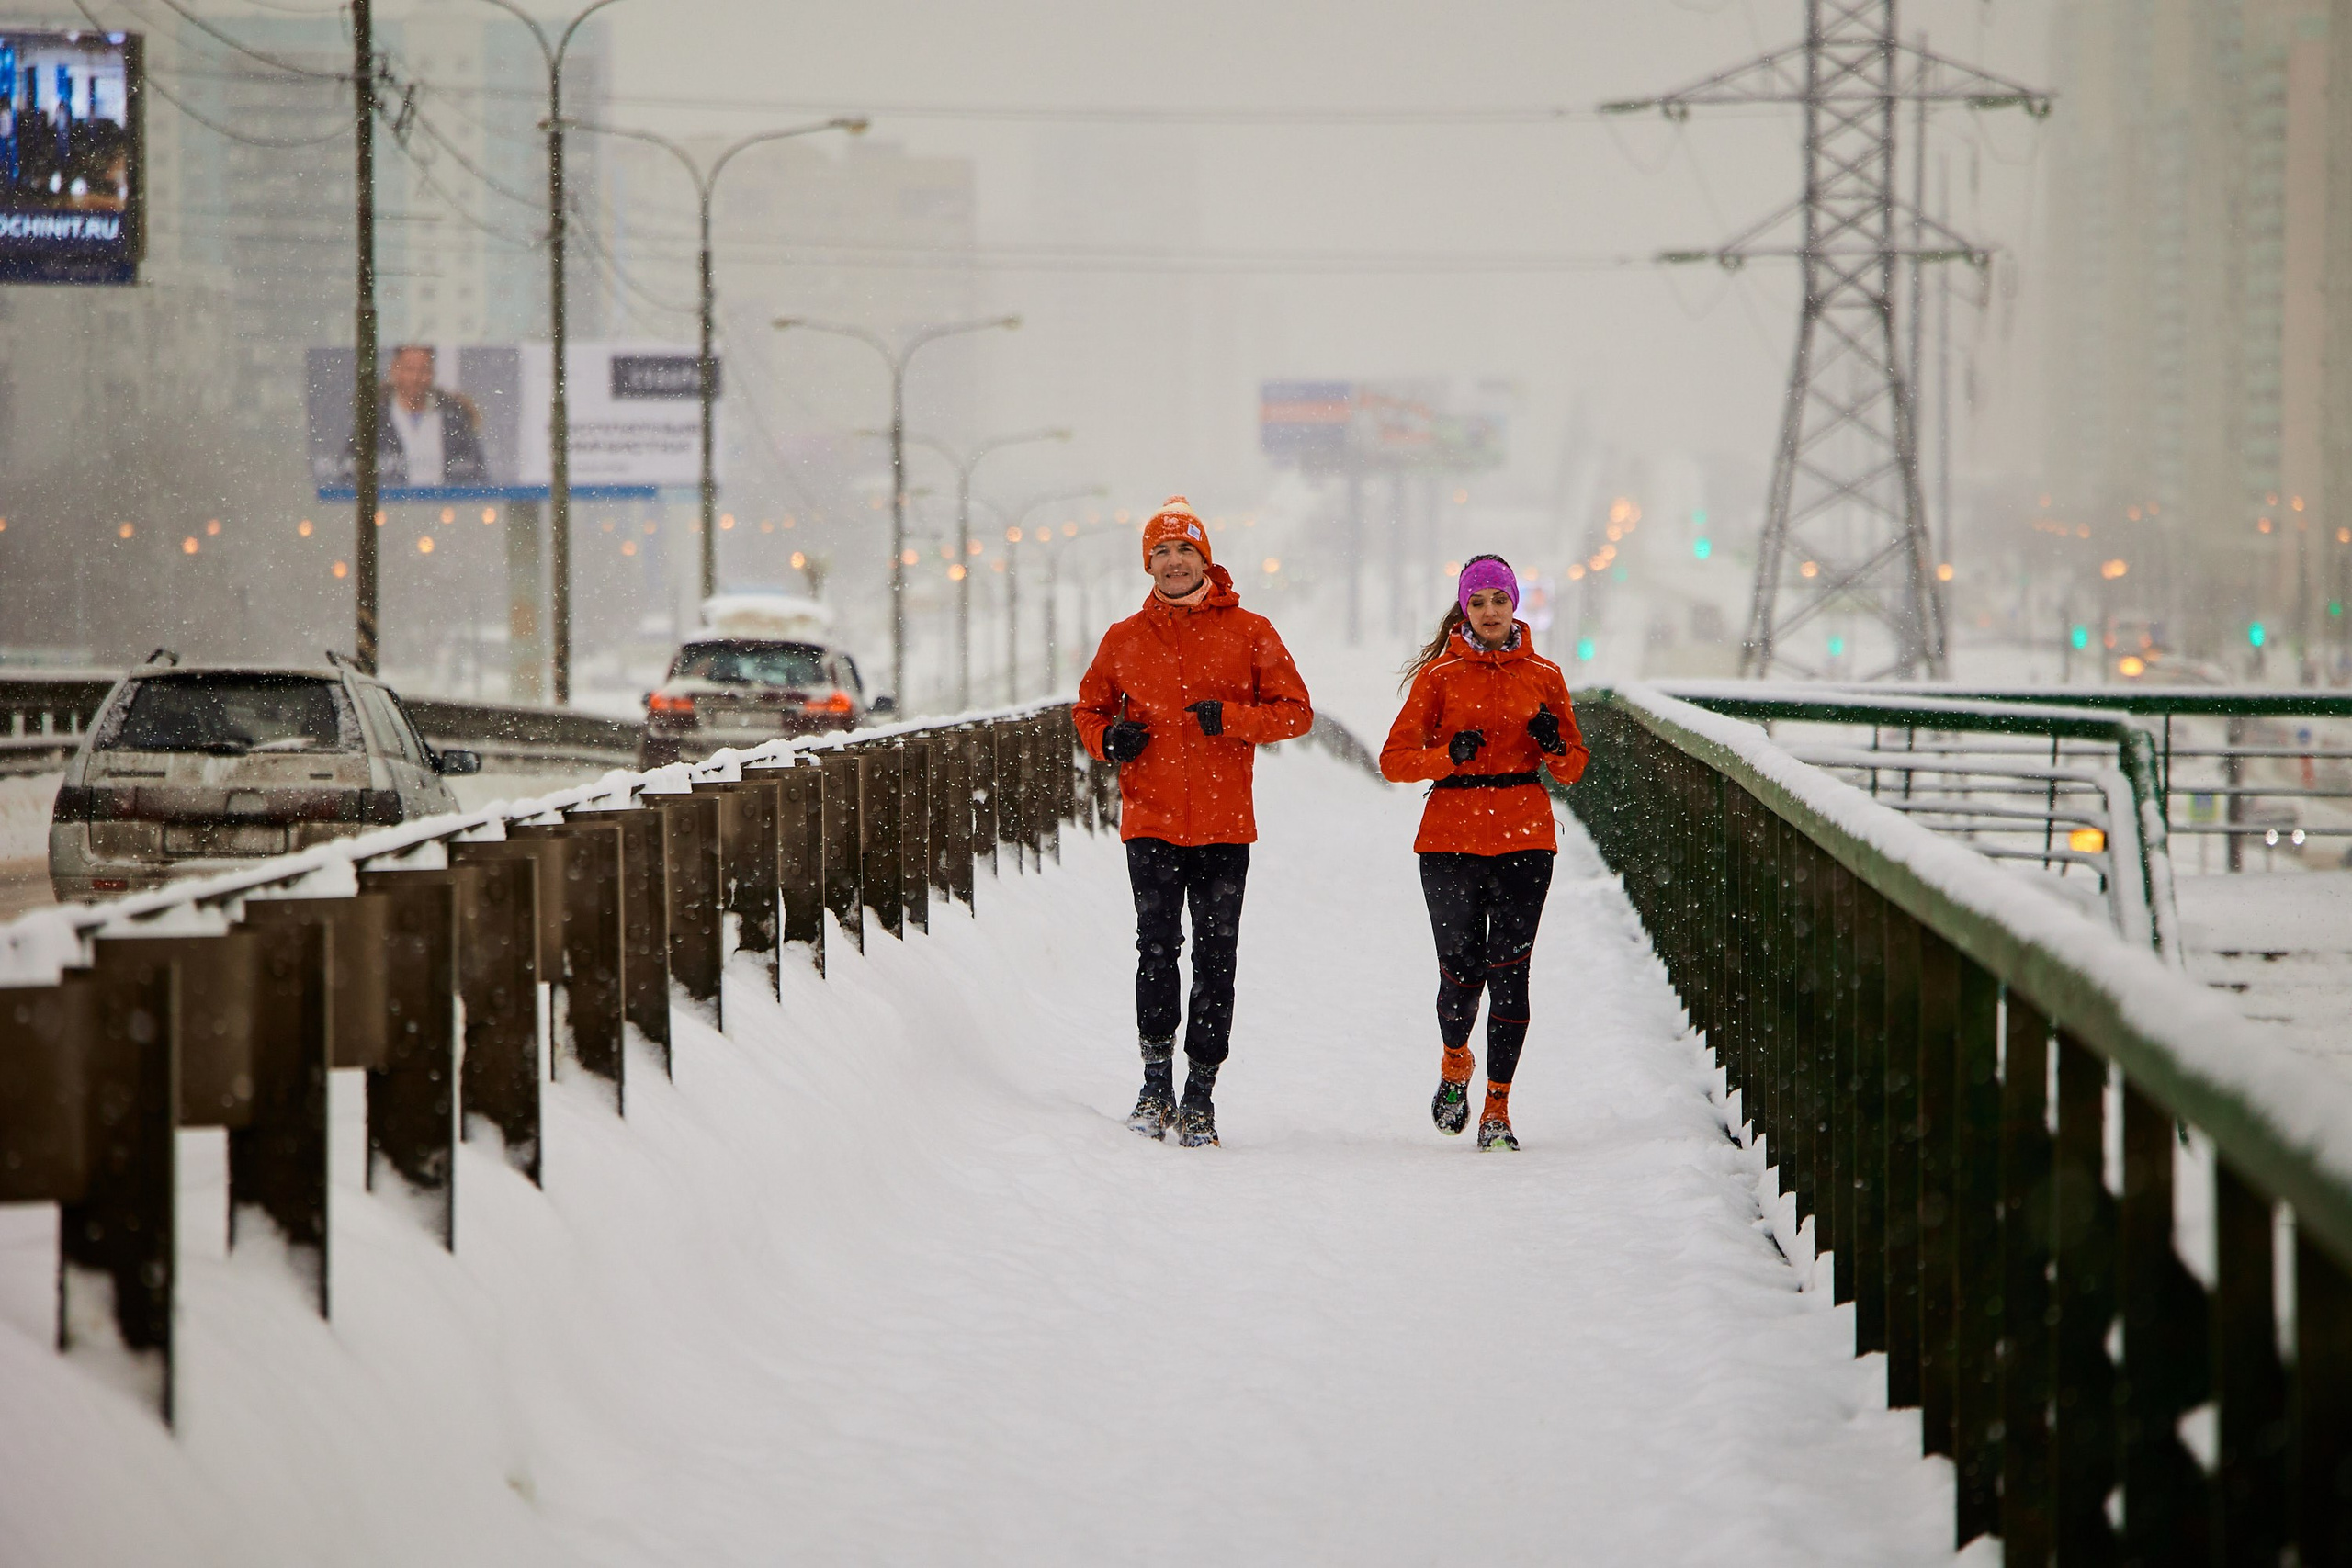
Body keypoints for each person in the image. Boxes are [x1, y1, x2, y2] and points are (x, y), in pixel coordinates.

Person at [1075, 496, 1314, 1147]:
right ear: (1147, 564)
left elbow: (1297, 712)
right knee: (1156, 950)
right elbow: (1088, 710)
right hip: (1149, 819)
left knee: (1216, 959)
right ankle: (1155, 1086)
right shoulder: (1124, 638)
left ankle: (1200, 1095)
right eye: (1161, 552)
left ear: (1205, 559)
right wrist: (1109, 739)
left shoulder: (1251, 631)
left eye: (1185, 550)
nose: (1174, 562)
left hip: (1223, 825)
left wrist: (1234, 718)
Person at [1380, 554, 1589, 1151]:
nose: (1490, 611)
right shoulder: (1440, 678)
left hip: (1525, 836)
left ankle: (1497, 1108)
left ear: (1514, 603)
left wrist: (1553, 745)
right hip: (1451, 839)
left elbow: (1573, 768)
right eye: (1479, 601)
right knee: (1461, 974)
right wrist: (1449, 756)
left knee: (1511, 975)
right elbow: (1395, 759)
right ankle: (1454, 1063)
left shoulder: (1545, 675)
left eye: (1499, 599)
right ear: (1464, 609)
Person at [359, 344, 491, 487]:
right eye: (409, 369)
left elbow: (476, 474)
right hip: (391, 506)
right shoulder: (374, 421)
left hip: (445, 506)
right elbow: (350, 473)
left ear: (432, 373)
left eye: (424, 370)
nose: (416, 378)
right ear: (395, 370)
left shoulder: (453, 420)